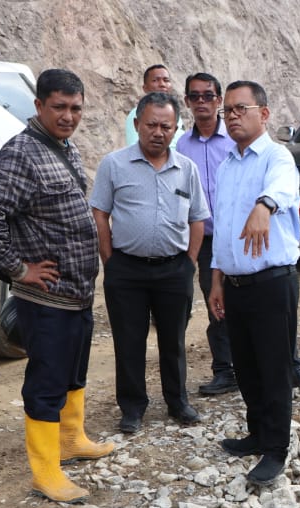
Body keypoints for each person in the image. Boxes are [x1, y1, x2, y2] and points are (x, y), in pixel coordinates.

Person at [0, 69, 110, 504]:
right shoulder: (22, 154)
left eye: (76, 108)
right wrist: (19, 269)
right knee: (47, 379)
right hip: (45, 296)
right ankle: (46, 473)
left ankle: (72, 439)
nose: (69, 116)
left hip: (76, 293)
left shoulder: (63, 147)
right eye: (59, 107)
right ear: (39, 107)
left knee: (73, 370)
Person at [92, 91, 209, 434]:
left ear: (175, 129)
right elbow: (100, 213)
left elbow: (198, 218)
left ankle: (178, 402)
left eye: (166, 126)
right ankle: (132, 408)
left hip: (174, 268)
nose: (159, 132)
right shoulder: (114, 164)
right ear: (137, 124)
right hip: (126, 269)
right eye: (152, 125)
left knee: (173, 340)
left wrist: (189, 263)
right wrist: (110, 260)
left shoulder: (186, 169)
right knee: (129, 341)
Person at [207, 81, 300, 486]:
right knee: (245, 366)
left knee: (273, 367)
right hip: (235, 284)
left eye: (240, 108)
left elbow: (284, 188)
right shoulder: (227, 164)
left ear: (263, 113)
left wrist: (265, 205)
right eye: (227, 110)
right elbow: (224, 229)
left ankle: (276, 448)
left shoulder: (277, 158)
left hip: (271, 282)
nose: (231, 116)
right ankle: (257, 433)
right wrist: (216, 280)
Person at [176, 72, 238, 396]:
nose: (202, 102)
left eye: (208, 96)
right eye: (195, 96)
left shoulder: (235, 139)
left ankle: (274, 363)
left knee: (253, 297)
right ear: (187, 102)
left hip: (239, 235)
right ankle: (224, 370)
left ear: (219, 100)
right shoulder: (181, 145)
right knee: (216, 302)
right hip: (203, 239)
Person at [124, 65, 183, 147]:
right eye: (155, 80)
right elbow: (135, 148)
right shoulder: (138, 113)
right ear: (145, 88)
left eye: (166, 80)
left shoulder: (175, 114)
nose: (162, 84)